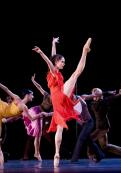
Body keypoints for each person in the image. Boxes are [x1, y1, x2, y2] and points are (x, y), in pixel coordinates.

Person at [32, 37, 91, 167]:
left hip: (58, 102)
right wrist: (41, 53)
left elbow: (52, 57)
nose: (64, 63)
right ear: (57, 62)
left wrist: (53, 43)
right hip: (61, 95)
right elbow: (49, 61)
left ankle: (56, 154)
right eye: (62, 61)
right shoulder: (53, 71)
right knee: (76, 74)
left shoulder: (54, 71)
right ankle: (84, 51)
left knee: (59, 129)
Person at [0, 65, 41, 164]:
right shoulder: (23, 106)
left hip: (0, 107)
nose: (33, 97)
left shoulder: (17, 99)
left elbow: (6, 89)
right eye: (32, 95)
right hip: (1, 111)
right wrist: (43, 114)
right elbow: (31, 118)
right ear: (27, 95)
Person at [83, 86, 121, 160]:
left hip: (103, 127)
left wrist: (119, 94)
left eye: (95, 94)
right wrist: (107, 92)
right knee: (105, 146)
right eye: (93, 94)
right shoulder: (94, 102)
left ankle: (92, 155)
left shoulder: (103, 102)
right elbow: (86, 97)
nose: (93, 96)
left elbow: (112, 98)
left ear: (100, 95)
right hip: (99, 127)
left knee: (89, 139)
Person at [70, 95, 105, 163]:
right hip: (83, 125)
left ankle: (74, 159)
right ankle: (100, 155)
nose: (72, 98)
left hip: (89, 123)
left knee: (80, 139)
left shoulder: (80, 97)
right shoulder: (70, 104)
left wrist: (105, 93)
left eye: (72, 96)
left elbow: (92, 95)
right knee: (89, 142)